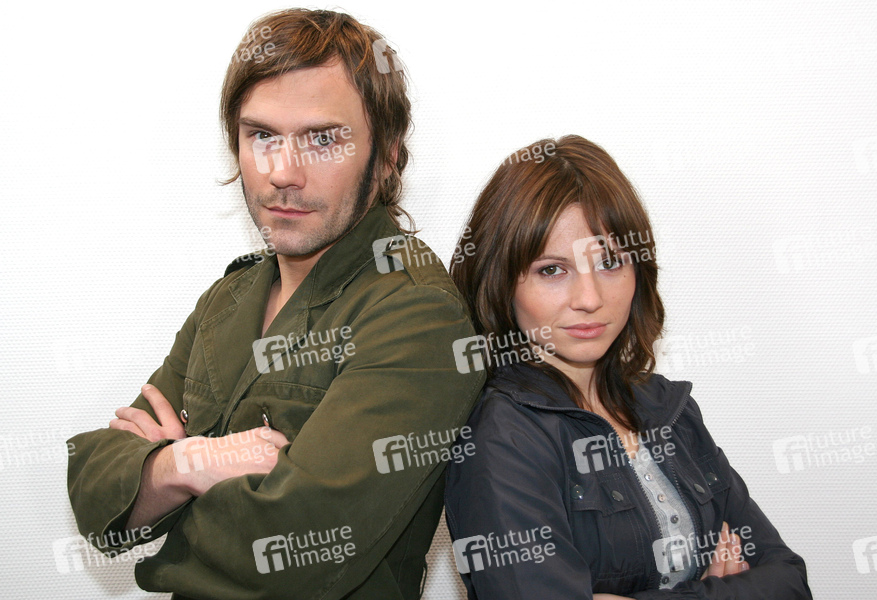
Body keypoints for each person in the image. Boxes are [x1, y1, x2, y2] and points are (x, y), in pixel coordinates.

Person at [66, 9, 484, 600]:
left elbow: (293, 547)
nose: (283, 173)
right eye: (262, 135)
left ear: (388, 155)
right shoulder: (229, 298)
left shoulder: (417, 315)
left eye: (323, 139)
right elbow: (95, 493)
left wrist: (164, 477)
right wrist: (192, 463)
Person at [444, 135, 812, 599]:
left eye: (610, 263)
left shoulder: (669, 408)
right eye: (552, 270)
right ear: (499, 283)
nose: (590, 298)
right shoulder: (501, 438)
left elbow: (789, 581)